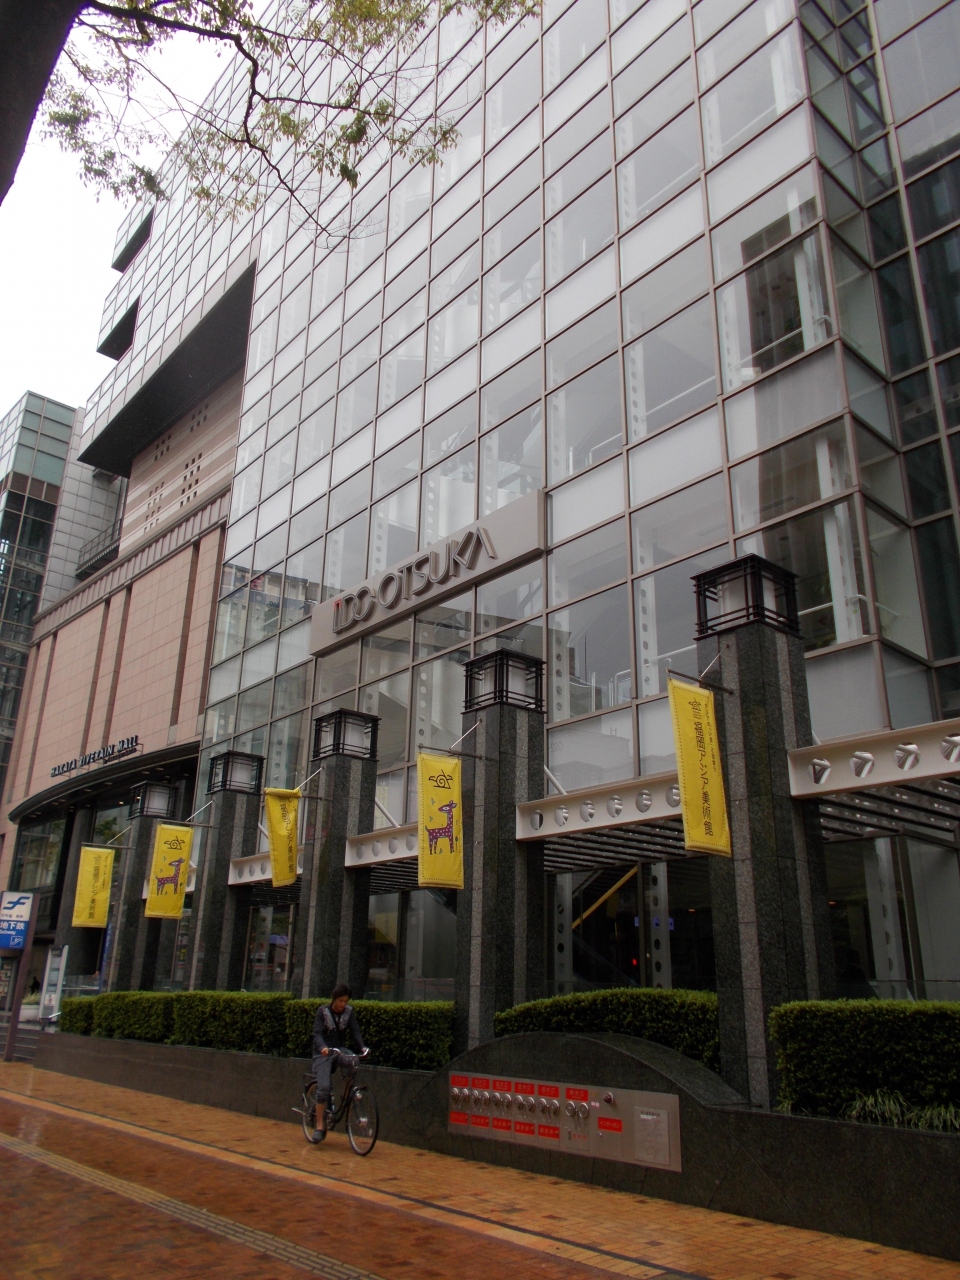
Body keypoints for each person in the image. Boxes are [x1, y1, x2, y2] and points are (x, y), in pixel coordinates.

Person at [310, 982, 367, 1142]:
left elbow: (355, 1032)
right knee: (324, 1088)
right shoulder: (322, 1012)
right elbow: (316, 1034)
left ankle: (346, 1094)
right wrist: (322, 1047)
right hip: (323, 1054)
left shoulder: (349, 1012)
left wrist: (363, 1048)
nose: (343, 1004)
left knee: (354, 1061)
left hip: (338, 1051)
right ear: (334, 999)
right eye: (340, 1001)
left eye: (345, 1001)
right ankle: (319, 1126)